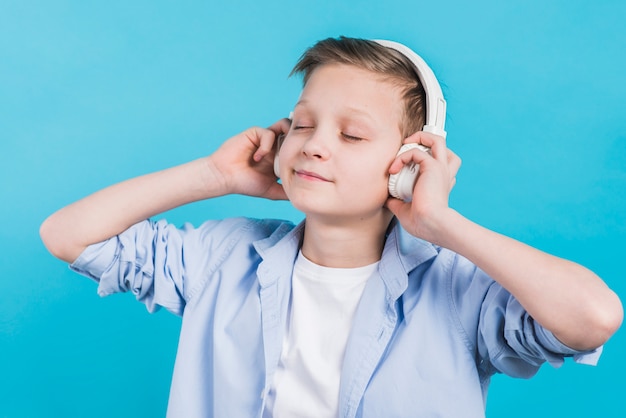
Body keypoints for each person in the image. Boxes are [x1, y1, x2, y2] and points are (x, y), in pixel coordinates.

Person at [40, 36, 622, 418]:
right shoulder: (222, 257)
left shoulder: (458, 288)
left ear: (409, 161)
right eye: (302, 125)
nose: (314, 146)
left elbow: (593, 318)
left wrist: (443, 223)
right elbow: (68, 235)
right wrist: (213, 174)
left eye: (351, 135)